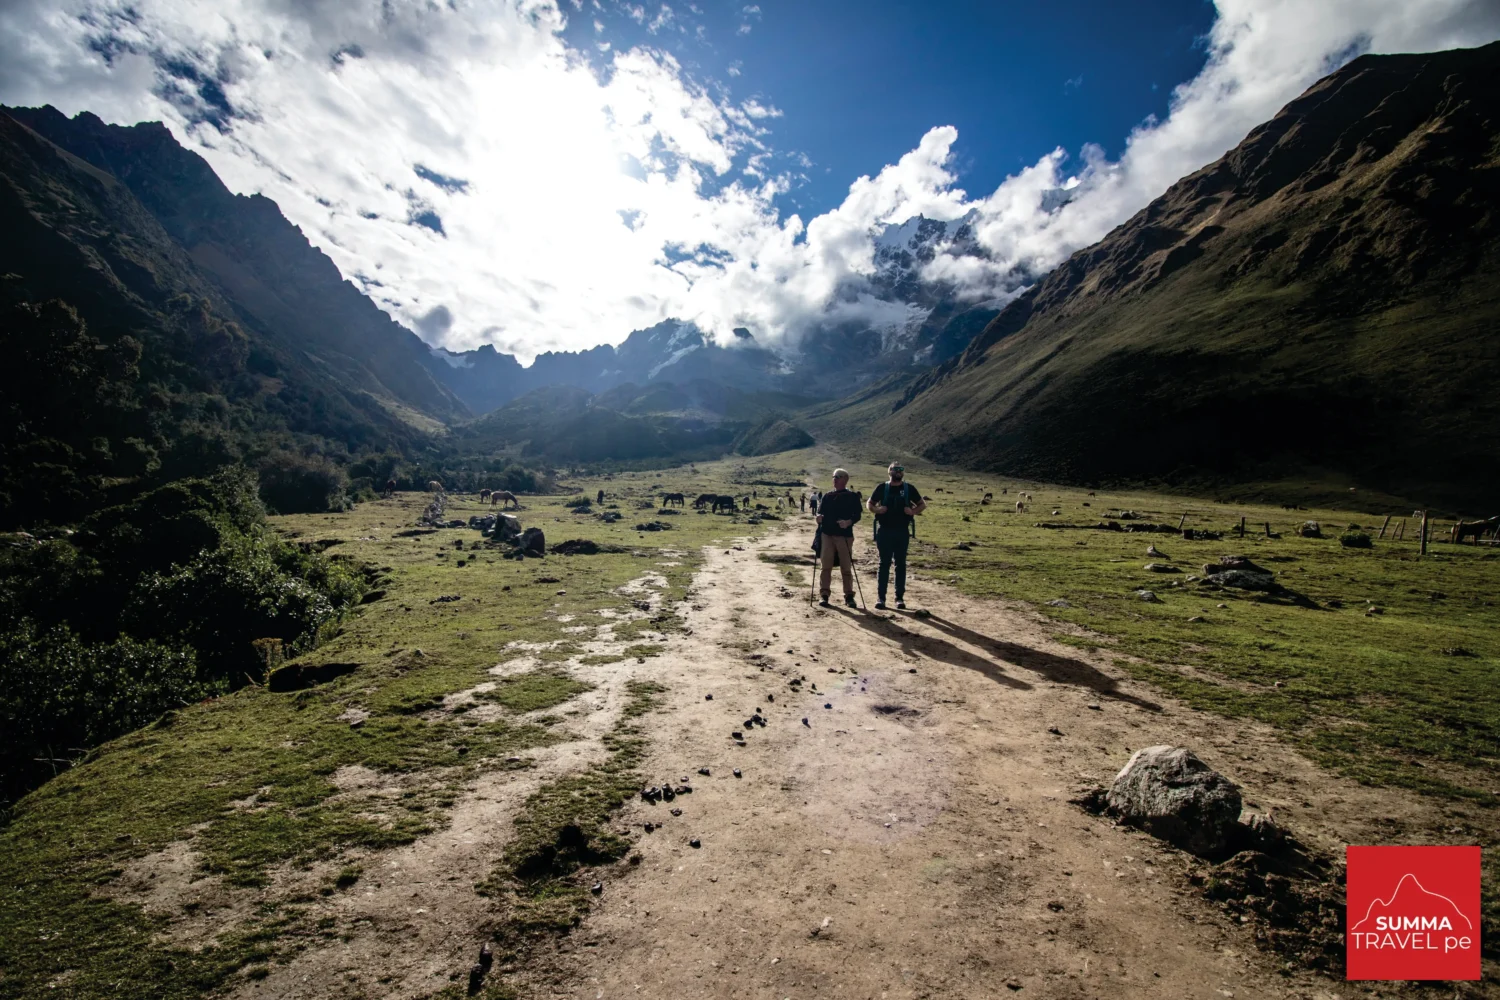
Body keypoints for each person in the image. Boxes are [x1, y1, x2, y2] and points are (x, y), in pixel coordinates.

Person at [868, 461, 925, 610]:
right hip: (885, 531)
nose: (898, 471)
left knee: (900, 564)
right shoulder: (882, 487)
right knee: (884, 564)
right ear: (889, 471)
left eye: (901, 469)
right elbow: (870, 503)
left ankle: (899, 598)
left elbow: (922, 504)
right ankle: (881, 598)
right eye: (895, 469)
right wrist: (877, 510)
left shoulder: (909, 488)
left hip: (902, 531)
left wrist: (913, 511)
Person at [815, 469, 861, 607]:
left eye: (838, 477)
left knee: (846, 567)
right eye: (833, 477)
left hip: (844, 536)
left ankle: (849, 596)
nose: (834, 479)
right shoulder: (827, 496)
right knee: (825, 566)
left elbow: (857, 515)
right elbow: (819, 512)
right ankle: (824, 595)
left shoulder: (852, 496)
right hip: (827, 534)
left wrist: (848, 522)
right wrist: (818, 518)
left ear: (845, 479)